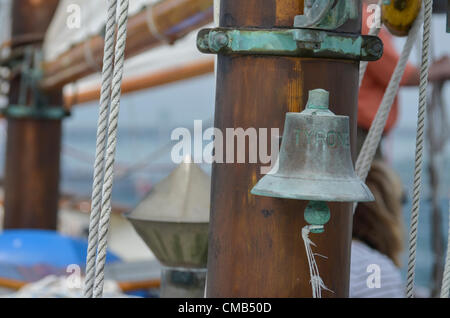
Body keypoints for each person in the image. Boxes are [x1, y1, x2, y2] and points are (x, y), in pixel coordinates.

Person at [350, 1, 450, 298]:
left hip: (364, 131)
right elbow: (389, 67)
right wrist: (435, 71)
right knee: (366, 209)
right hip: (358, 134)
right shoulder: (362, 12)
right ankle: (366, 280)